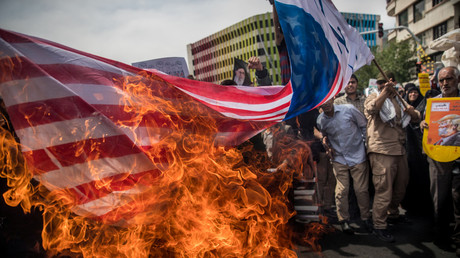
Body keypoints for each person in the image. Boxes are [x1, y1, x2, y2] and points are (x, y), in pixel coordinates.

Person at [364, 71, 420, 243]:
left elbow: (417, 117)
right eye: (380, 83)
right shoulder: (373, 96)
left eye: (387, 83)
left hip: (399, 149)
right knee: (384, 190)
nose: (384, 85)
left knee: (401, 187)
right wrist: (383, 93)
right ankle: (379, 225)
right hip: (382, 150)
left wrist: (412, 112)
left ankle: (393, 214)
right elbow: (371, 109)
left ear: (394, 82)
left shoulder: (399, 99)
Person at [420, 66, 460, 253]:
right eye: (442, 80)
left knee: (458, 198)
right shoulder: (432, 103)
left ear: (457, 80)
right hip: (438, 157)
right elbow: (421, 121)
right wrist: (422, 123)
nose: (445, 83)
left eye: (449, 79)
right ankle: (441, 236)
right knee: (440, 198)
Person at [317, 99, 372, 235]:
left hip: (358, 155)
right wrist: (326, 145)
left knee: (361, 190)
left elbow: (364, 126)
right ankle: (344, 221)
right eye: (323, 101)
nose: (327, 103)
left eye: (328, 99)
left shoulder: (349, 109)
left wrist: (367, 146)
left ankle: (366, 219)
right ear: (319, 104)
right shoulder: (321, 120)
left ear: (333, 98)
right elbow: (324, 136)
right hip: (339, 158)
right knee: (341, 191)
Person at [400, 84, 431, 216]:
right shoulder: (402, 107)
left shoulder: (424, 107)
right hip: (408, 148)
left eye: (415, 92)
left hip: (421, 148)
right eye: (410, 93)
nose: (413, 95)